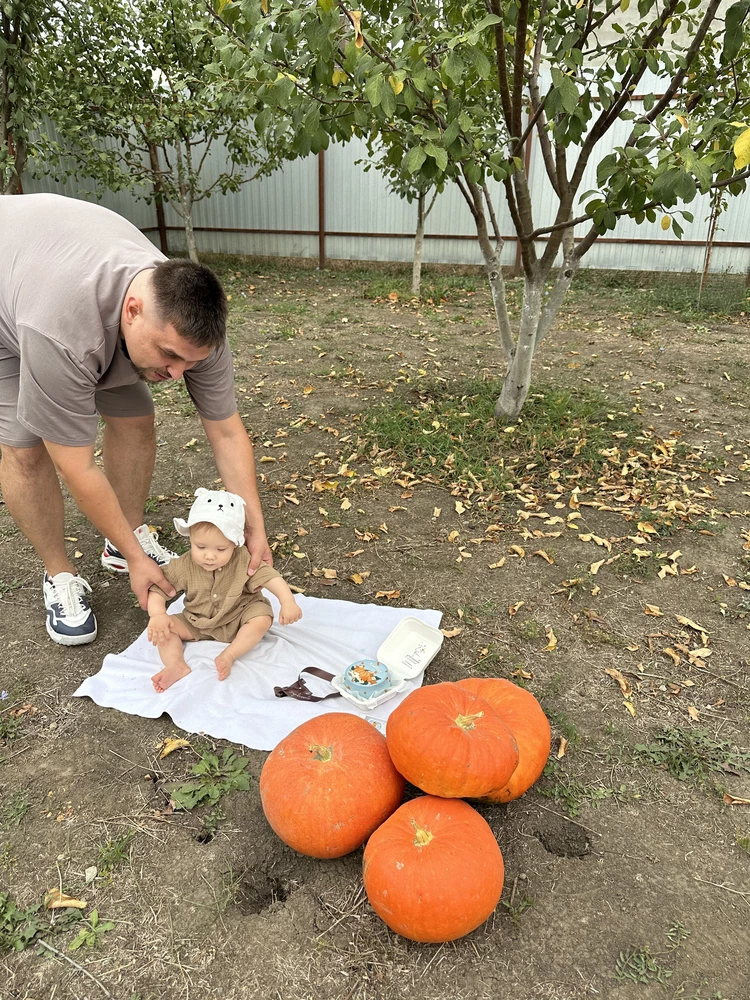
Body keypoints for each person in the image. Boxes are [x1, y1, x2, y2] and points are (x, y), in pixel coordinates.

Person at [0, 193, 272, 645]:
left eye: (190, 362)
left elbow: (226, 432)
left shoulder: (193, 336)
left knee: (136, 418)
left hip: (61, 258)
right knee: (25, 448)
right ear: (132, 311)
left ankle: (121, 541)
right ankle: (60, 574)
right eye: (169, 356)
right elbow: (76, 465)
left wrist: (253, 526)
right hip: (13, 305)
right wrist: (140, 562)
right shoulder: (63, 331)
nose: (177, 375)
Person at [147, 489, 301, 692]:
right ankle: (175, 665)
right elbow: (158, 588)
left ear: (235, 544)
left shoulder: (243, 558)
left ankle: (230, 654)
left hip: (238, 615)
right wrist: (157, 614)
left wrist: (287, 601)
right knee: (165, 629)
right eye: (200, 547)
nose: (209, 556)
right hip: (197, 620)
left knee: (262, 617)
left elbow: (270, 577)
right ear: (190, 538)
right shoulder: (183, 564)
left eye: (220, 550)